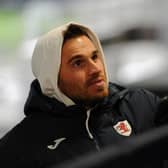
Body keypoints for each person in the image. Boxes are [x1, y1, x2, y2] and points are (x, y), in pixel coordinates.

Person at [0, 21, 168, 168]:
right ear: (51, 78)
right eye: (78, 63)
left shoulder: (140, 104)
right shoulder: (20, 148)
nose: (95, 69)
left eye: (95, 57)